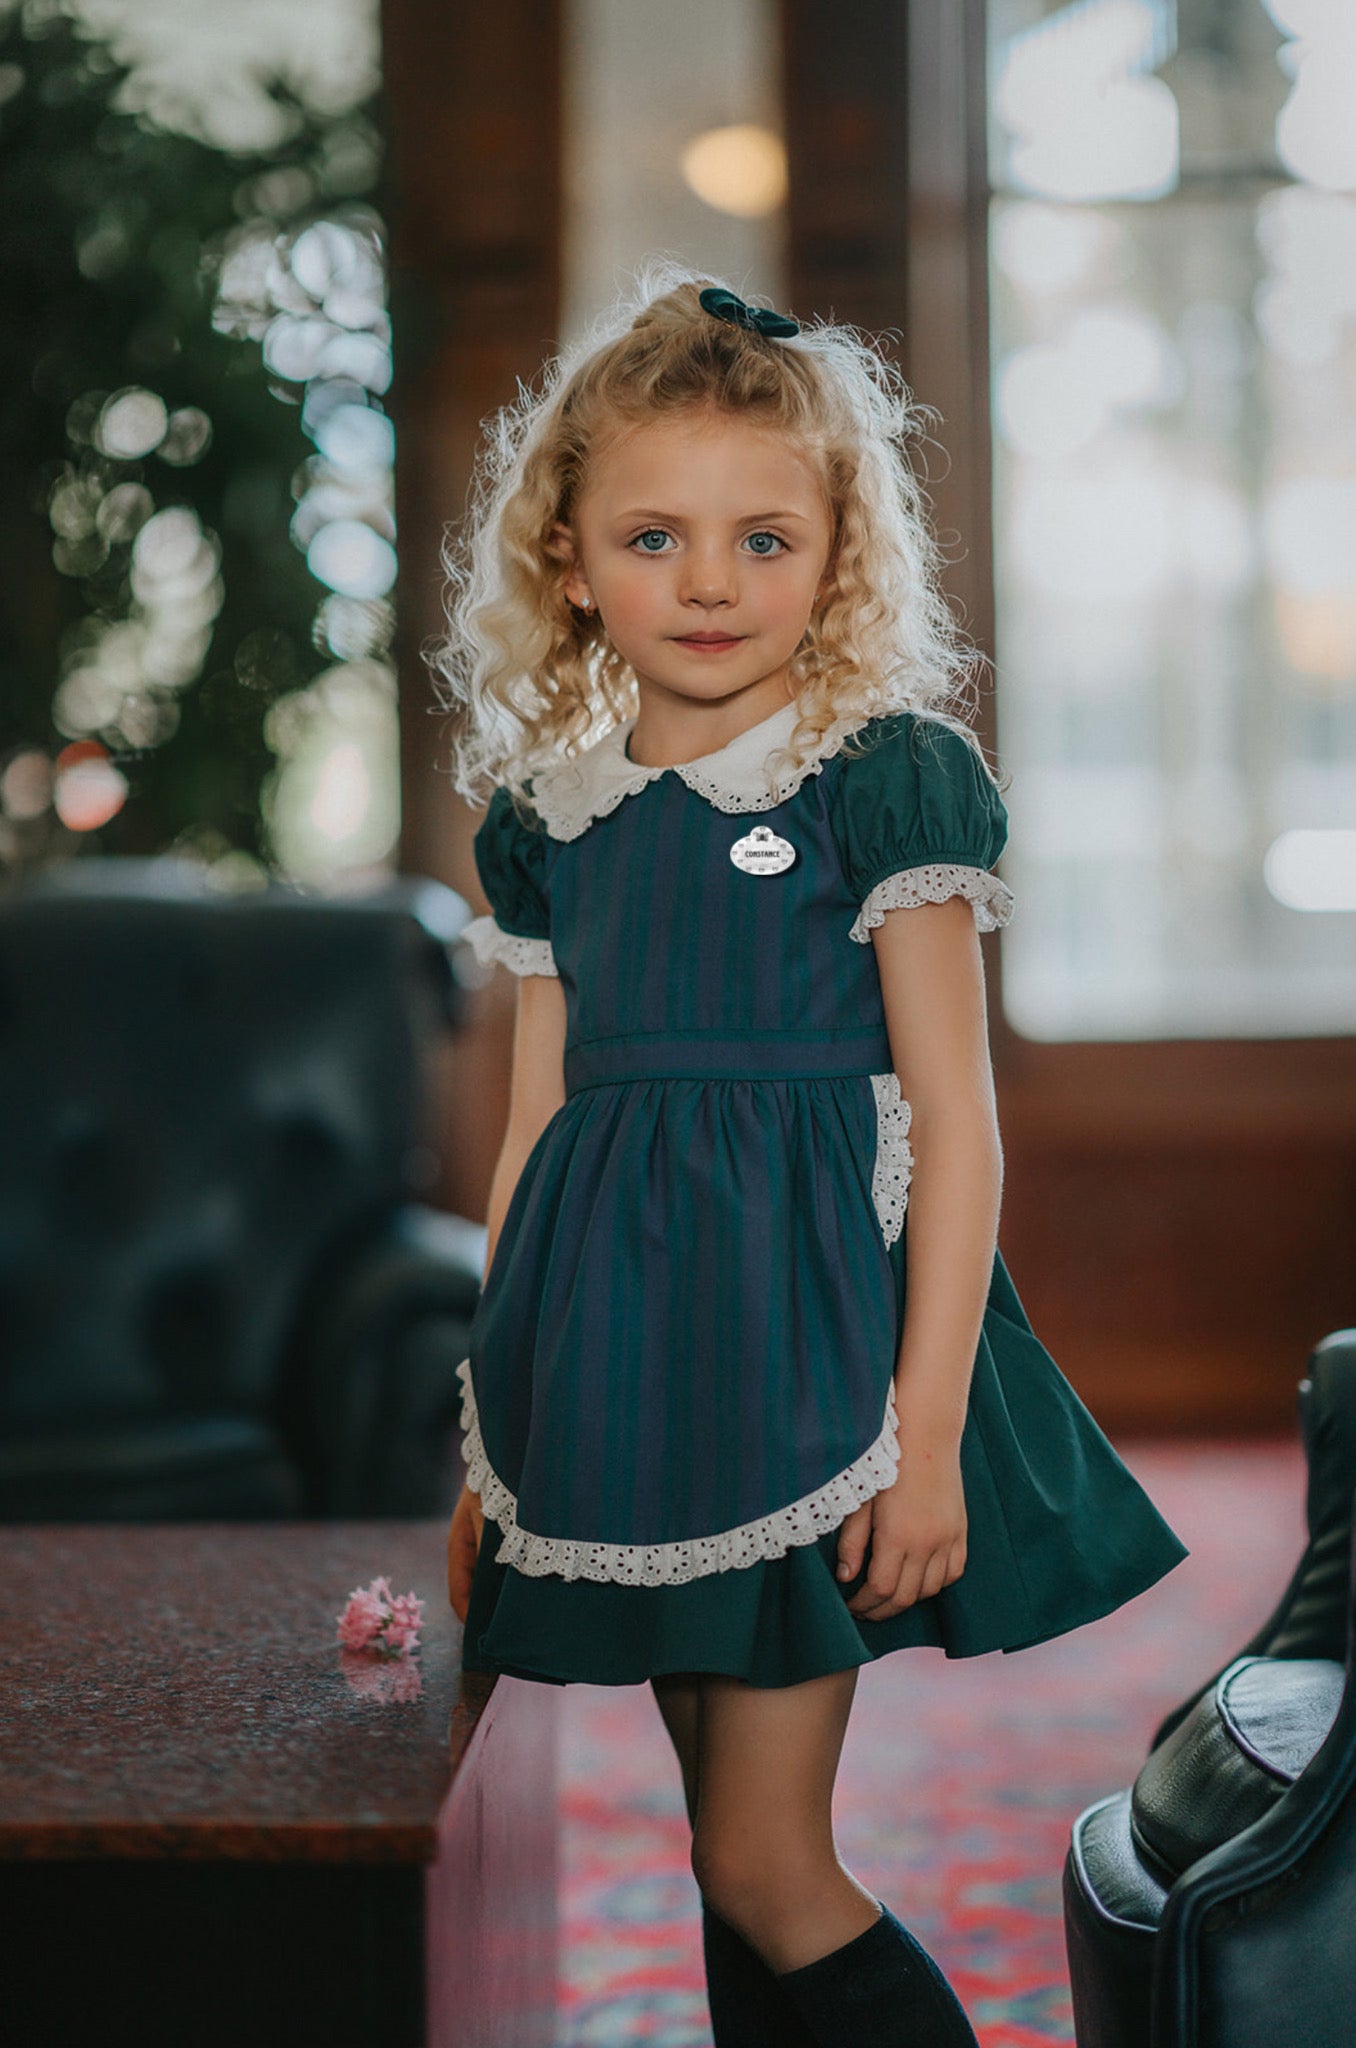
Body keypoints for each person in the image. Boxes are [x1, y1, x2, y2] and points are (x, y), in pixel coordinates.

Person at [433, 259, 1189, 2048]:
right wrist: (492, 1435)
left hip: (811, 1379)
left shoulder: (881, 779)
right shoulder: (553, 821)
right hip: (626, 1377)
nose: (709, 582)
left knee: (771, 1863)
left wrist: (918, 1450)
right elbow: (537, 1135)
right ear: (566, 558)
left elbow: (957, 1125)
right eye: (654, 537)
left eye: (766, 539)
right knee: (722, 1858)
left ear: (842, 553)